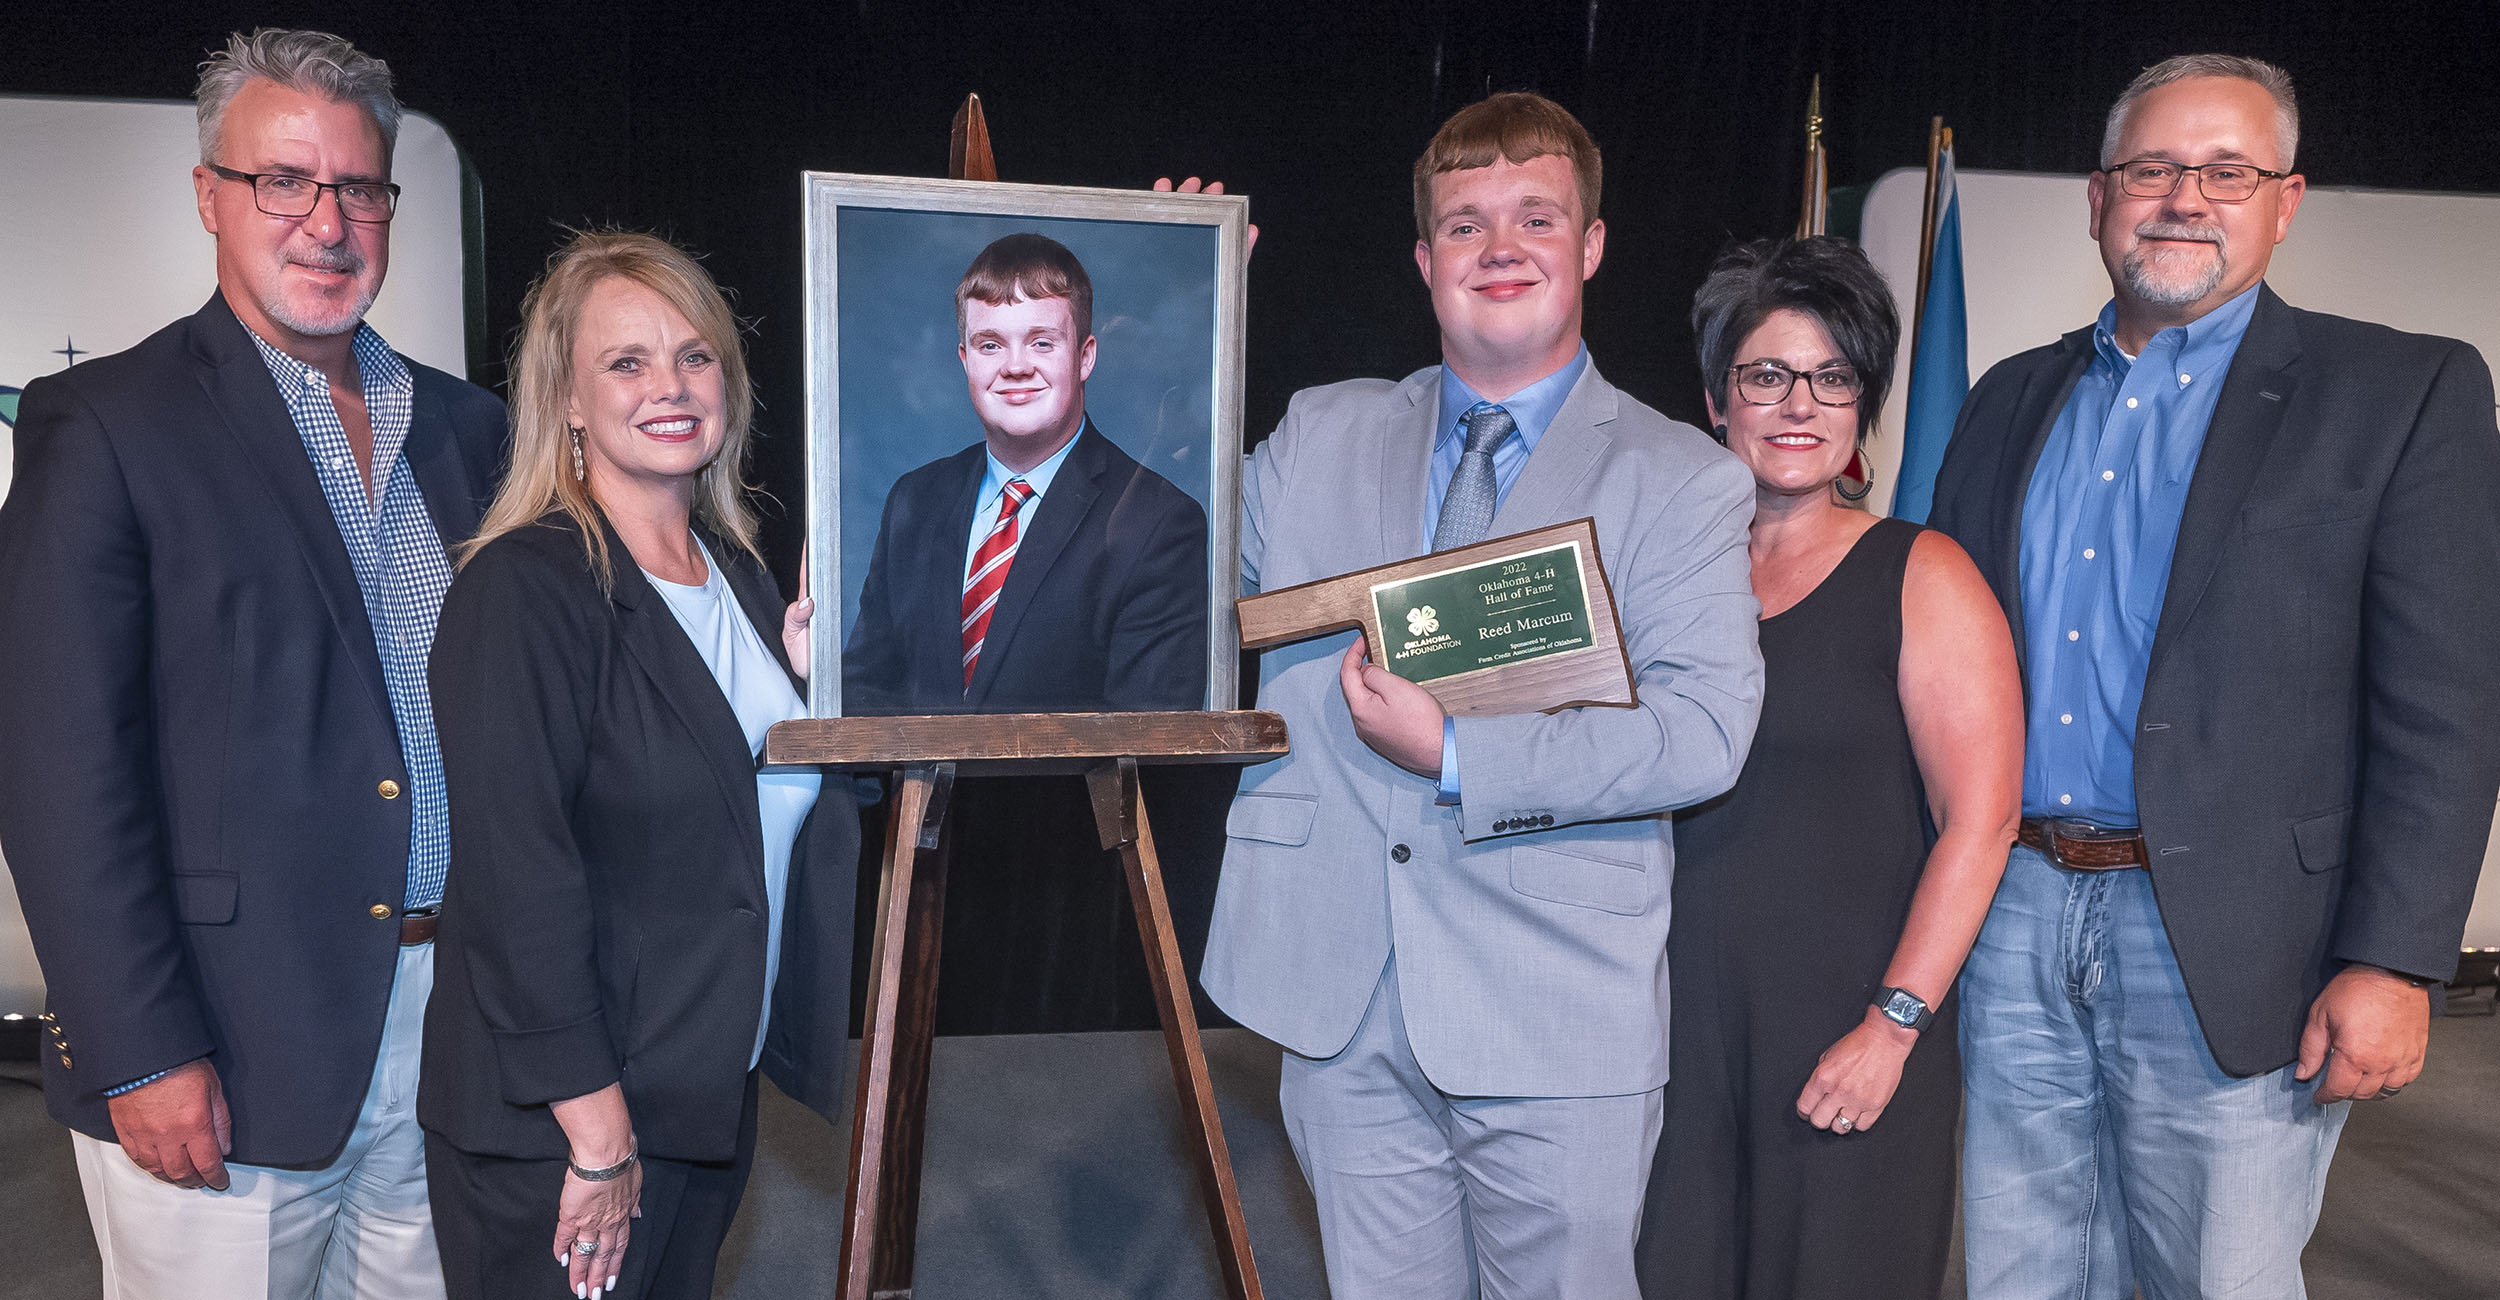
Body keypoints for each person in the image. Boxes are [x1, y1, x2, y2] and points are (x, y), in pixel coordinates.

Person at [1928, 54, 2500, 1297]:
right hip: (2013, 911)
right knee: (2020, 1276)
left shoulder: (2402, 392)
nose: (2184, 196)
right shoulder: (2003, 400)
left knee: (2214, 1281)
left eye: (2225, 171)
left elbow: (2445, 710)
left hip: (2240, 940)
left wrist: (2397, 960)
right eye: (2151, 168)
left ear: (2283, 201)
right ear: (2097, 199)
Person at [1203, 92, 1764, 1298]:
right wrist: (1172, 322)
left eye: (1534, 217)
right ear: (1422, 260)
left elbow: (1704, 736)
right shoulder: (1317, 432)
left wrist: (1460, 753)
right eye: (1464, 224)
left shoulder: (1684, 480)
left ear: (1592, 247)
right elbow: (1156, 555)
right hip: (1334, 988)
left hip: (1555, 1008)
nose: (1499, 248)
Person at [0, 29, 505, 1298]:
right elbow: (58, 770)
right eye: (285, 181)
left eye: (359, 188)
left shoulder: (474, 429)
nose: (326, 222)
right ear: (210, 195)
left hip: (455, 1022)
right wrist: (138, 1047)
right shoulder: (107, 423)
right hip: (225, 1040)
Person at [417, 231, 857, 1300]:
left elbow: (778, 814)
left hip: (706, 1087)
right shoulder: (523, 591)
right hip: (569, 1126)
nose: (670, 385)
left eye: (695, 355)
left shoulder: (750, 583)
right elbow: (517, 882)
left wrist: (830, 705)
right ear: (566, 399)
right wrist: (599, 1135)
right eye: (627, 361)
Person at [1633, 237, 2020, 1300]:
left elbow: (1980, 823)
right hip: (1670, 1032)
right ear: (1717, 399)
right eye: (1765, 374)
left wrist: (1892, 1026)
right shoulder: (1656, 580)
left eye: (1833, 376)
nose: (1798, 402)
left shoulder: (1923, 574)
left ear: (1862, 406)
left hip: (1845, 1031)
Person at [842, 231, 1209, 715]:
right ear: (965, 360)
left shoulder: (1158, 522)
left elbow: (1148, 747)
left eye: (1041, 342)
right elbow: (868, 692)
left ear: (1084, 357)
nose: (1015, 366)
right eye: (990, 345)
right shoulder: (916, 500)